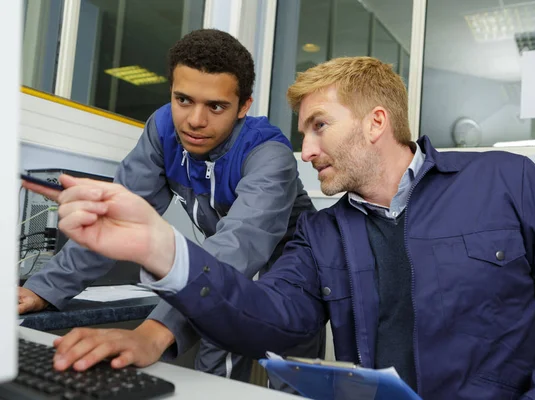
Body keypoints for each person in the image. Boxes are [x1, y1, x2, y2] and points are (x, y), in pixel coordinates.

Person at [24, 56, 535, 399]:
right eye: (304, 133)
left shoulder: (507, 181)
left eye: (320, 127)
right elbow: (264, 317)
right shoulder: (321, 235)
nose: (307, 149)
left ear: (377, 122)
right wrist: (163, 250)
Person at [18, 28, 325, 385]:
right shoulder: (163, 130)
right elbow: (115, 221)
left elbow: (238, 245)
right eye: (183, 100)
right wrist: (44, 288)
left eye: (216, 106)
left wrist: (154, 332)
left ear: (244, 106)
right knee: (214, 355)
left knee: (292, 377)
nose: (195, 120)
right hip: (222, 263)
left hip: (291, 270)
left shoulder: (269, 155)